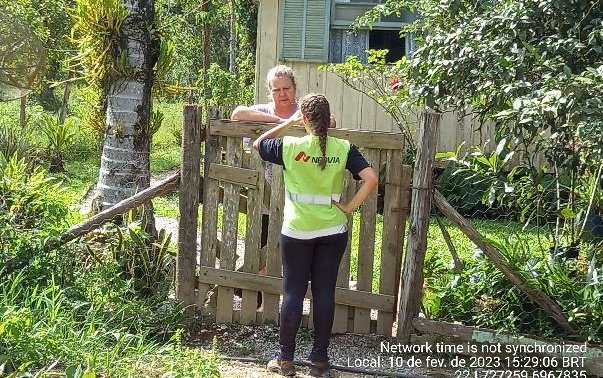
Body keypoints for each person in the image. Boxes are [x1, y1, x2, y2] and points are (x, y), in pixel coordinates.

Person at [252, 93, 378, 376]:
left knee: (293, 292)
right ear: (328, 118)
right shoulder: (343, 148)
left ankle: (285, 359)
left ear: (305, 119)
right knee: (324, 293)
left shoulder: (291, 145)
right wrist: (348, 207)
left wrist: (289, 122)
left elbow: (259, 144)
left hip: (297, 230)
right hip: (333, 230)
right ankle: (320, 361)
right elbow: (371, 178)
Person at [231, 65, 300, 308]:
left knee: (289, 249)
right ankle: (260, 304)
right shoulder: (263, 110)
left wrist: (294, 120)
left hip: (296, 194)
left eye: (286, 88)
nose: (282, 94)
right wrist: (282, 121)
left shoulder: (304, 110)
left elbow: (330, 120)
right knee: (261, 245)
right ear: (269, 91)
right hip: (264, 195)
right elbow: (237, 113)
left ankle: (282, 301)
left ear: (295, 88)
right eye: (276, 89)